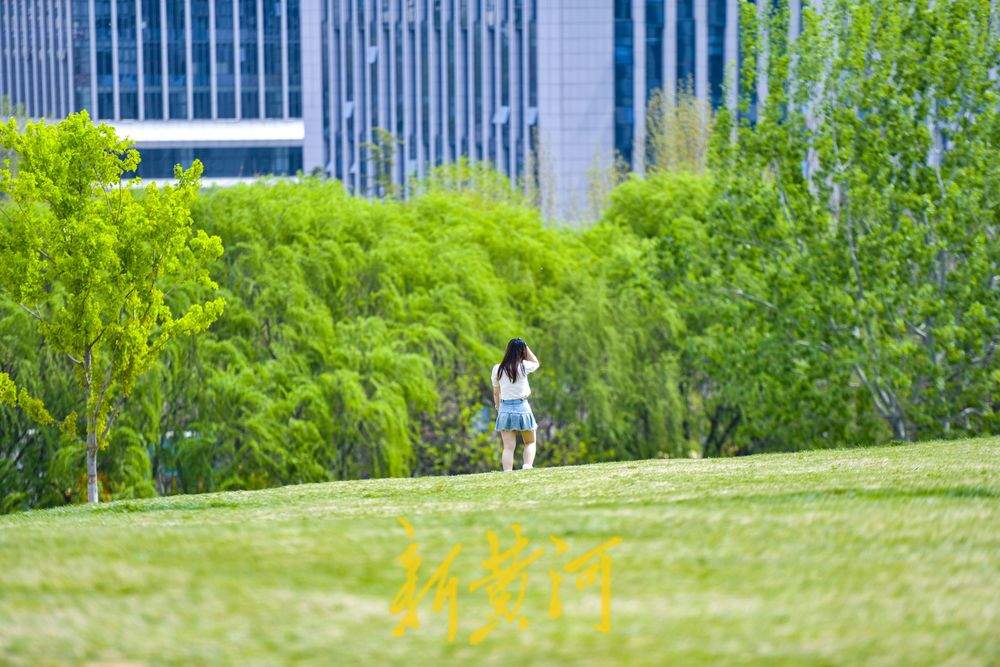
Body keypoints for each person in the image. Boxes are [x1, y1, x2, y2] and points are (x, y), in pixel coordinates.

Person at [491, 338, 540, 471]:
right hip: (522, 406)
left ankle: (508, 471)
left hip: (505, 408)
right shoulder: (523, 366)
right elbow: (536, 363)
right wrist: (526, 347)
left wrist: (498, 408)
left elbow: (496, 392)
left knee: (508, 447)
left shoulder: (497, 369)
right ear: (522, 351)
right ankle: (527, 466)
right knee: (530, 442)